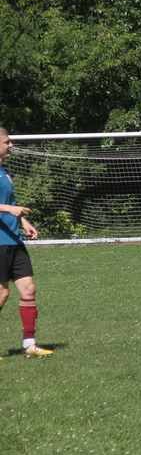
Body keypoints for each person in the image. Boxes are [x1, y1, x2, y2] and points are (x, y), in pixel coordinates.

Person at [0, 128, 54, 358]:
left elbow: (10, 202)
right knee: (2, 294)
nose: (11, 145)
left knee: (29, 290)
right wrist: (10, 209)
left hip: (13, 239)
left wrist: (24, 222)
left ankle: (29, 345)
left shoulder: (5, 172)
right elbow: (8, 206)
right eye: (6, 142)